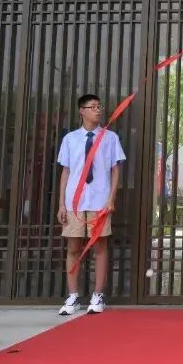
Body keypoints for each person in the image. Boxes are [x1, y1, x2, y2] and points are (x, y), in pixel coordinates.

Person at [56, 94, 125, 316]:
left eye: (99, 106)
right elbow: (66, 172)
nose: (97, 110)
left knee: (100, 247)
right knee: (73, 247)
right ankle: (73, 295)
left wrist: (111, 198)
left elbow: (115, 170)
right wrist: (61, 204)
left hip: (99, 199)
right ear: (81, 111)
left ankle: (98, 294)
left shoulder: (110, 138)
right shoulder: (70, 139)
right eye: (92, 107)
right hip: (74, 201)